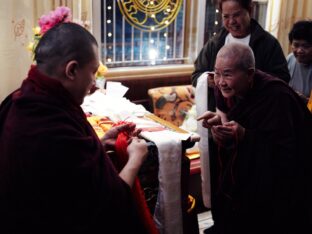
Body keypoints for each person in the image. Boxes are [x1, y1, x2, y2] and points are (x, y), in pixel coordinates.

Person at [0, 22, 150, 233]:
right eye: (93, 72)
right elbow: (109, 205)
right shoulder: (49, 126)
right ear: (71, 70)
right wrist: (135, 158)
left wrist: (98, 142)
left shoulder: (18, 98)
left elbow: (59, 167)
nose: (95, 84)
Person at [192, 1, 290, 232]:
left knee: (252, 184)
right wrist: (214, 80)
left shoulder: (266, 44)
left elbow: (279, 81)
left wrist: (244, 89)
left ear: (250, 11)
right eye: (226, 16)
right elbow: (198, 74)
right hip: (223, 120)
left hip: (259, 125)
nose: (231, 22)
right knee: (222, 178)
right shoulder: (216, 42)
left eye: (236, 15)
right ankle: (222, 223)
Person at [197, 42, 312, 234]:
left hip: (280, 185)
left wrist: (245, 135)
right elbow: (239, 117)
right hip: (245, 172)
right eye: (216, 73)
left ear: (250, 74)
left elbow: (289, 152)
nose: (220, 81)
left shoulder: (277, 96)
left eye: (227, 74)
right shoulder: (225, 88)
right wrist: (221, 125)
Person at [287, 20, 312, 103]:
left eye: (306, 46)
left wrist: (305, 100)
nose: (299, 50)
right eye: (296, 45)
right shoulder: (290, 59)